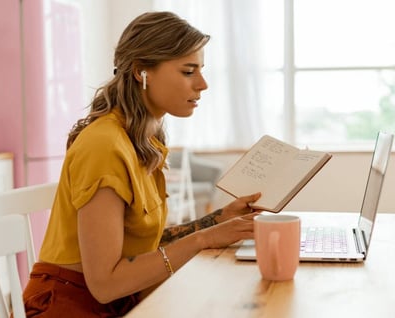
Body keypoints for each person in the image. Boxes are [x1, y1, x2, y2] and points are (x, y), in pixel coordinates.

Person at [22, 11, 261, 317]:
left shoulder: (141, 141)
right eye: (188, 71)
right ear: (141, 72)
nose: (203, 84)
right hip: (69, 307)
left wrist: (218, 220)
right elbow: (105, 284)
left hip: (119, 304)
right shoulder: (104, 146)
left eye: (200, 70)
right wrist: (204, 239)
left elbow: (139, 245)